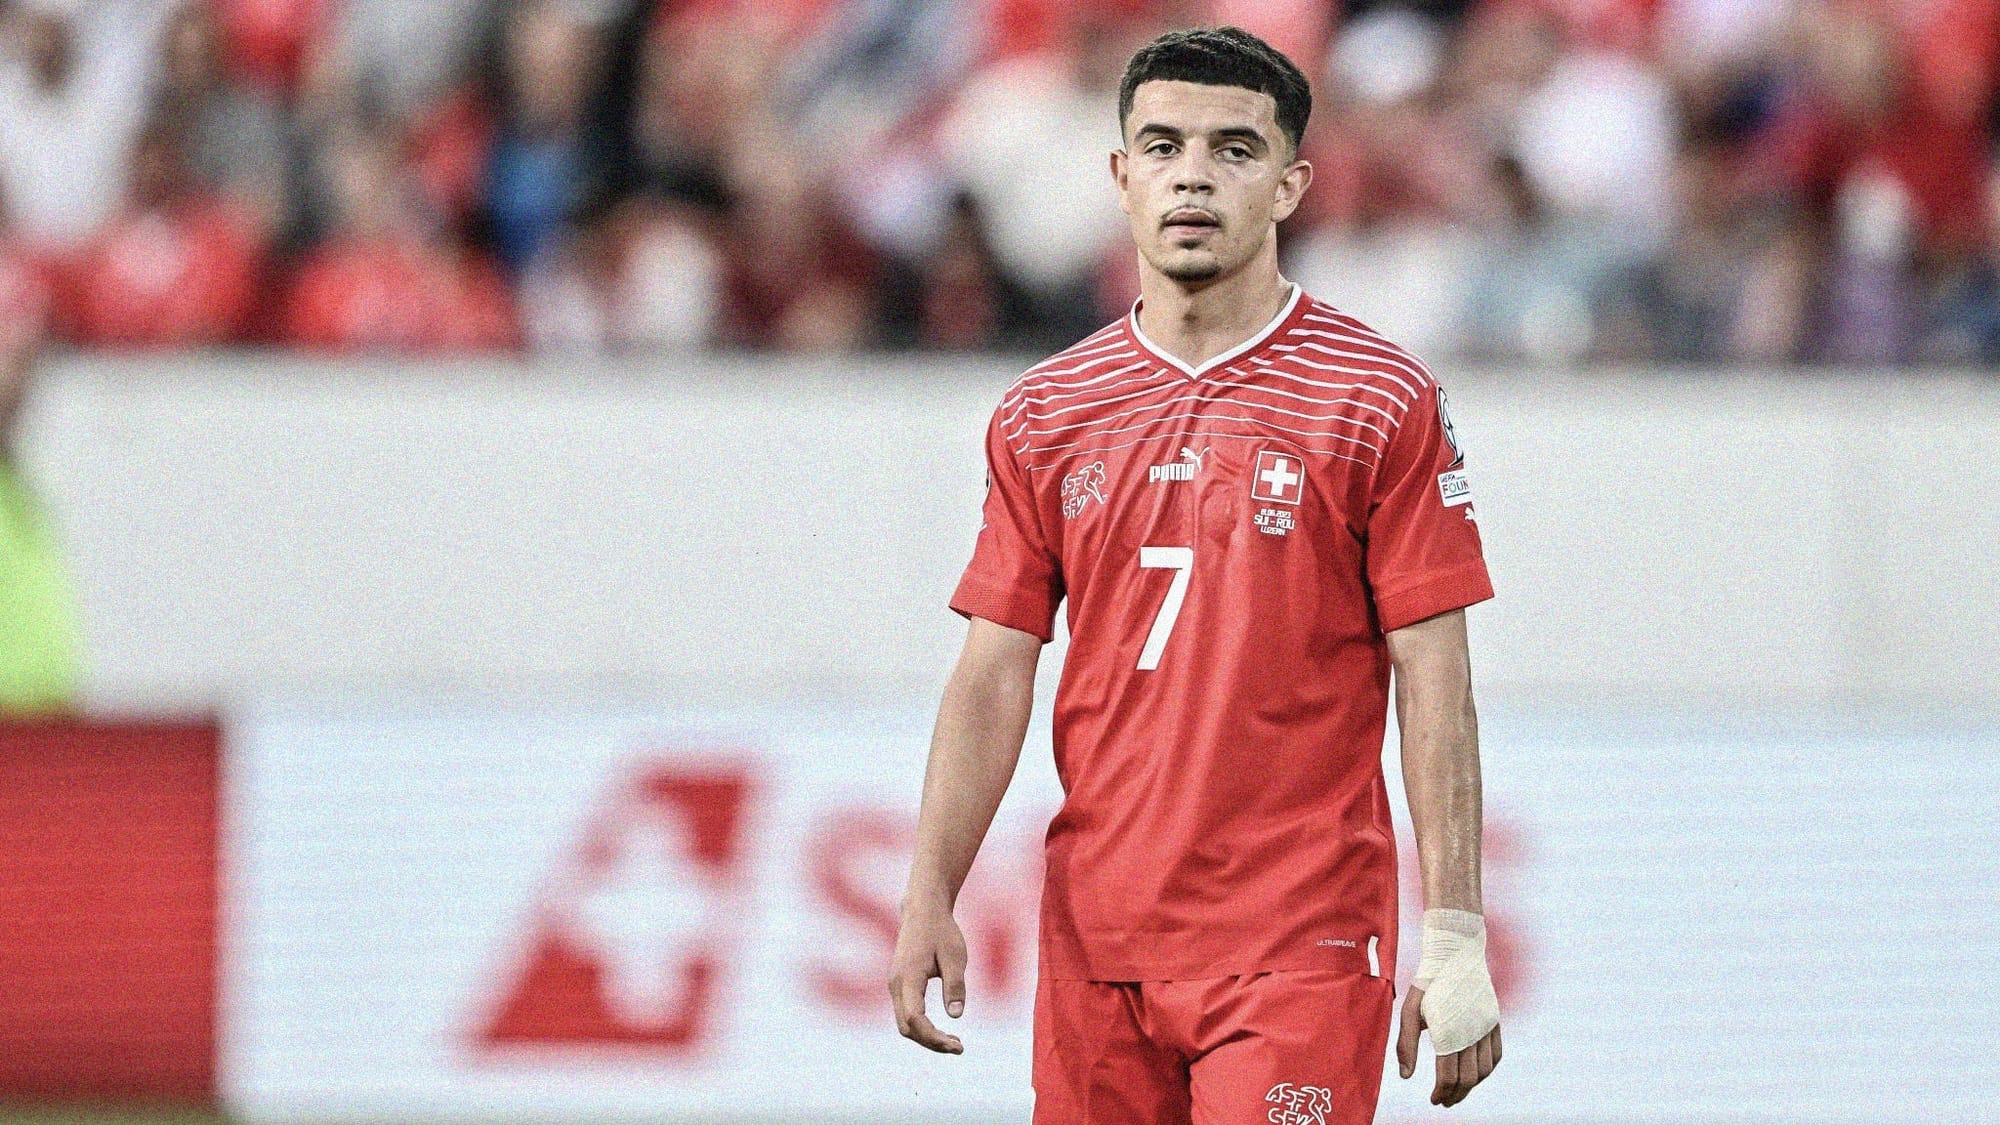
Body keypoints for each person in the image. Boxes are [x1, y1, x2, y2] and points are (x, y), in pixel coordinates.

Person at [889, 26, 1503, 1123]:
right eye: (1164, 146)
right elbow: (992, 670)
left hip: (1298, 942)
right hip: (1098, 941)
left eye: (1234, 149)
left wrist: (1454, 935)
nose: (1193, 176)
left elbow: (1435, 677)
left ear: (1290, 185)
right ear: (1120, 174)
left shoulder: (1377, 398)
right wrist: (928, 889)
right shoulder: (1044, 413)